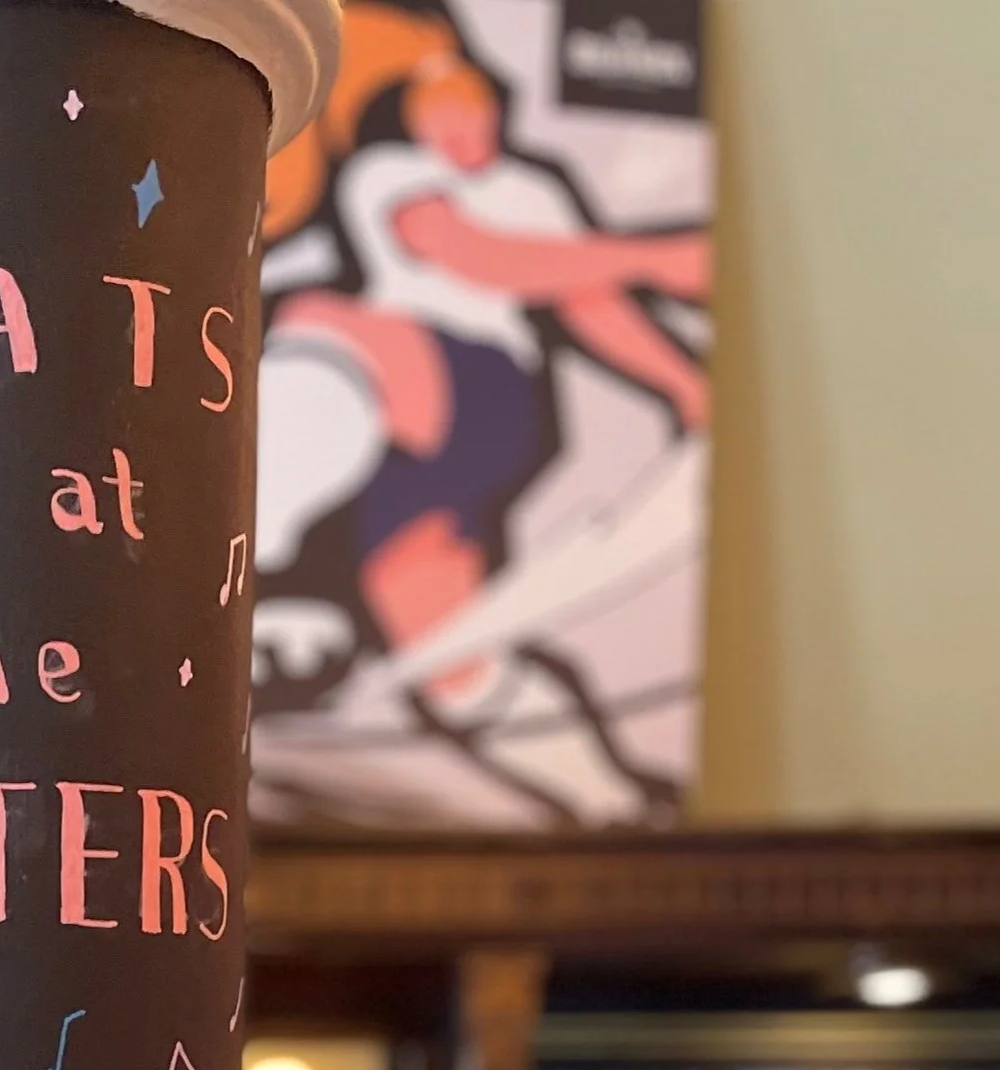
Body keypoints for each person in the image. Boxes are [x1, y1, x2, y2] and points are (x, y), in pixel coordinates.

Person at [261, 5, 711, 821]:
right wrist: (660, 257)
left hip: (466, 385)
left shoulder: (526, 187)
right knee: (439, 631)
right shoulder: (392, 177)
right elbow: (468, 251)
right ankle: (603, 798)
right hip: (430, 417)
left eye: (474, 109)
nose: (463, 128)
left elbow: (583, 300)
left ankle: (252, 559)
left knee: (319, 327)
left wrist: (682, 383)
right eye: (442, 111)